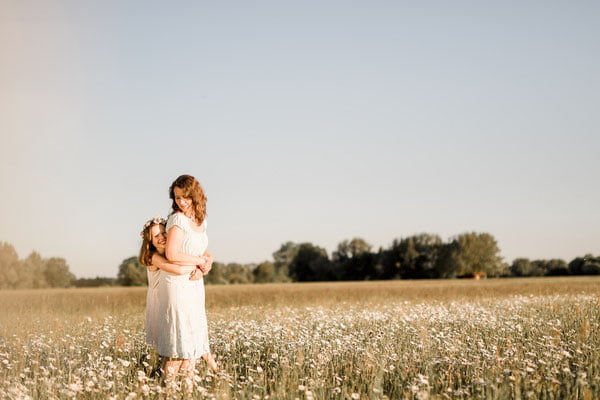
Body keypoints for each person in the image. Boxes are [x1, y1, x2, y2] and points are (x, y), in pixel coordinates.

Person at [158, 174, 218, 385]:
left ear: (195, 196)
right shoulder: (177, 220)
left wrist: (207, 263)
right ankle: (168, 389)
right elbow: (172, 254)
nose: (181, 202)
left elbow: (201, 250)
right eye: (176, 198)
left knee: (192, 339)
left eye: (185, 197)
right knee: (179, 340)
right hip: (178, 285)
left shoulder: (200, 220)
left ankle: (188, 389)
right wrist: (200, 261)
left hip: (194, 285)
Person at [138, 216, 203, 350]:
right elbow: (179, 269)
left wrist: (202, 262)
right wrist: (198, 265)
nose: (161, 237)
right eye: (156, 236)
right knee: (165, 340)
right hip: (159, 300)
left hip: (169, 297)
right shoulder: (153, 257)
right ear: (149, 241)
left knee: (178, 337)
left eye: (163, 233)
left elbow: (201, 252)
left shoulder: (172, 252)